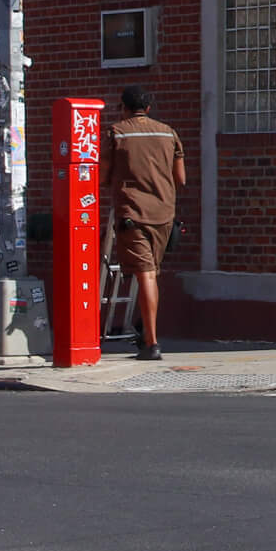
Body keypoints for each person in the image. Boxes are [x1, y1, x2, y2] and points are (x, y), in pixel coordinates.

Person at [103, 85, 185, 361]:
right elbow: (180, 178)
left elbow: (103, 174)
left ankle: (151, 343)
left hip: (133, 214)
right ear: (148, 108)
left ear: (123, 107)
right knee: (151, 273)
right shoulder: (168, 133)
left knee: (145, 275)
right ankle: (142, 325)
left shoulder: (117, 132)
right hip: (164, 214)